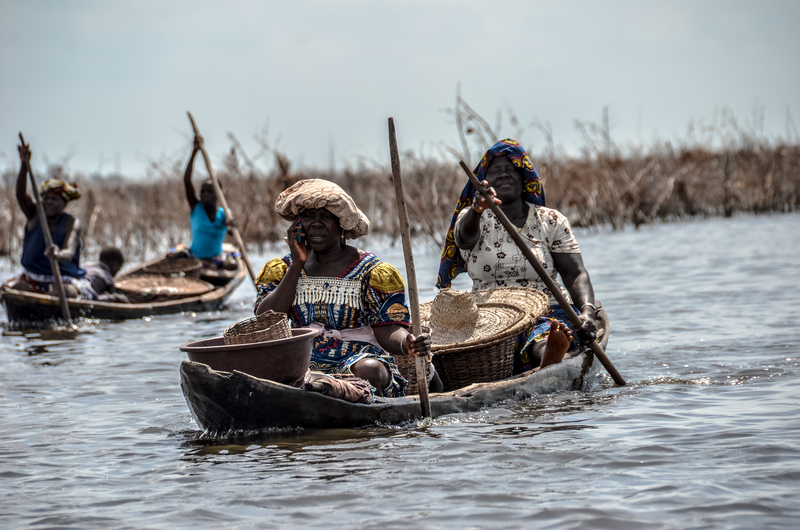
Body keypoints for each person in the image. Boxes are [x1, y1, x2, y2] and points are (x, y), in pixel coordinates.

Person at [254, 179, 442, 398]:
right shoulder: (283, 268)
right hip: (302, 358)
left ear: (341, 223)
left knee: (371, 370)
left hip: (357, 358)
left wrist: (406, 342)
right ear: (297, 226)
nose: (316, 224)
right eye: (307, 217)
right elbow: (265, 320)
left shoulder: (371, 271)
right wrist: (297, 263)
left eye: (325, 216)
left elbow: (387, 328)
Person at [438, 138, 598, 372]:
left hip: (545, 309)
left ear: (525, 179)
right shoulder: (471, 217)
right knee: (497, 346)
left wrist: (588, 312)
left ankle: (550, 351)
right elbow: (463, 238)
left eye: (512, 169)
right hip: (490, 315)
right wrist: (476, 210)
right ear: (484, 181)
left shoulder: (550, 220)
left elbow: (575, 273)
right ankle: (544, 358)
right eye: (496, 170)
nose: (504, 174)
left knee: (538, 336)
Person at [10, 142, 93, 299]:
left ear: (64, 204)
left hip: (63, 279)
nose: (48, 202)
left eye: (54, 199)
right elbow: (21, 195)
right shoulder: (35, 215)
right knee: (17, 289)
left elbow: (69, 251)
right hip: (33, 277)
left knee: (65, 293)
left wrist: (58, 255)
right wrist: (24, 165)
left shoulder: (71, 223)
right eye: (46, 198)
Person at [182, 134, 237, 270]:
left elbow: (230, 229)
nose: (204, 194)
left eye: (209, 191)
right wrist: (194, 152)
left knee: (231, 265)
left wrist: (231, 226)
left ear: (218, 194)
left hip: (215, 259)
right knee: (178, 258)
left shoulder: (224, 213)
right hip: (194, 257)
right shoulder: (196, 207)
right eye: (203, 191)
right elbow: (187, 181)